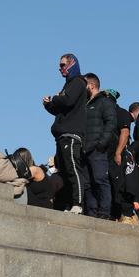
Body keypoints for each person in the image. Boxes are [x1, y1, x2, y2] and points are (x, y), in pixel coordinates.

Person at [43, 53, 87, 214]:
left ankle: (78, 204)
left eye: (62, 65)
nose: (60, 68)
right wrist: (49, 104)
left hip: (71, 135)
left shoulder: (77, 82)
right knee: (64, 173)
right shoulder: (68, 85)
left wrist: (55, 98)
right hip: (62, 136)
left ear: (71, 64)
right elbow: (61, 108)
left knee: (73, 169)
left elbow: (67, 101)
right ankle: (69, 203)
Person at [82, 73, 116, 219]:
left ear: (91, 85)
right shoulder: (85, 104)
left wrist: (101, 144)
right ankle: (92, 212)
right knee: (88, 184)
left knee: (100, 180)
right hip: (85, 149)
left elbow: (111, 123)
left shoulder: (104, 102)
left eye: (83, 86)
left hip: (97, 149)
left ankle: (104, 213)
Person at [103, 89, 139, 225]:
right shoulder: (105, 113)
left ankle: (127, 215)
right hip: (106, 155)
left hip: (118, 156)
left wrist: (118, 152)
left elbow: (124, 133)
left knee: (120, 186)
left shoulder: (121, 112)